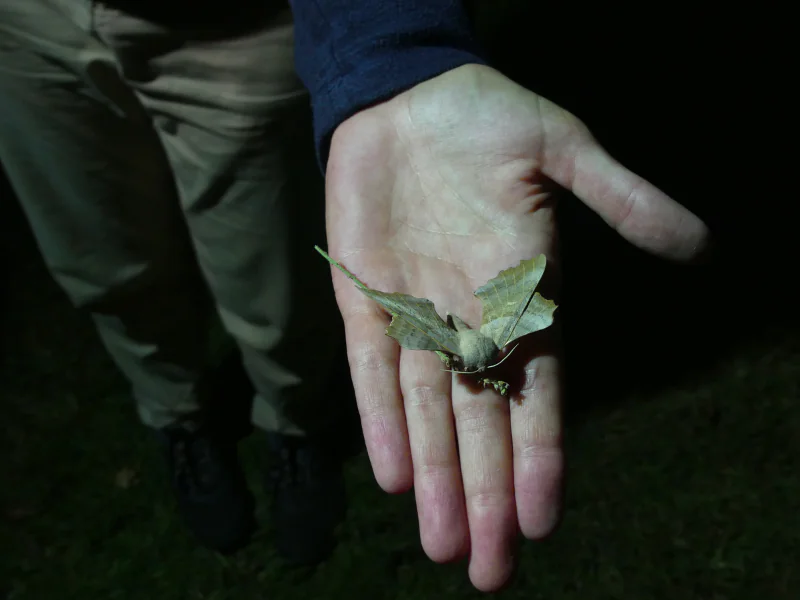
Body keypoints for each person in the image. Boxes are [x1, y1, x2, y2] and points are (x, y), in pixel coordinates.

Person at [0, 0, 710, 592]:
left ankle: (294, 427)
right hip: (22, 31)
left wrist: (390, 47)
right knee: (105, 270)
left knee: (273, 287)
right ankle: (175, 415)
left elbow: (474, 348)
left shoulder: (481, 337)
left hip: (237, 25)